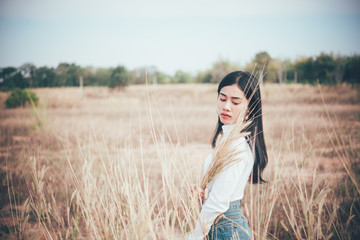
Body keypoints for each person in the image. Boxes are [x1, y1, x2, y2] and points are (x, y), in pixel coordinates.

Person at [188, 71, 268, 240]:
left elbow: (218, 203)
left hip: (226, 228)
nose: (226, 106)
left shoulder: (237, 146)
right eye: (222, 99)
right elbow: (221, 189)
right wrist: (205, 191)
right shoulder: (229, 140)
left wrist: (195, 236)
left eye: (235, 102)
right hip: (222, 225)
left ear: (249, 108)